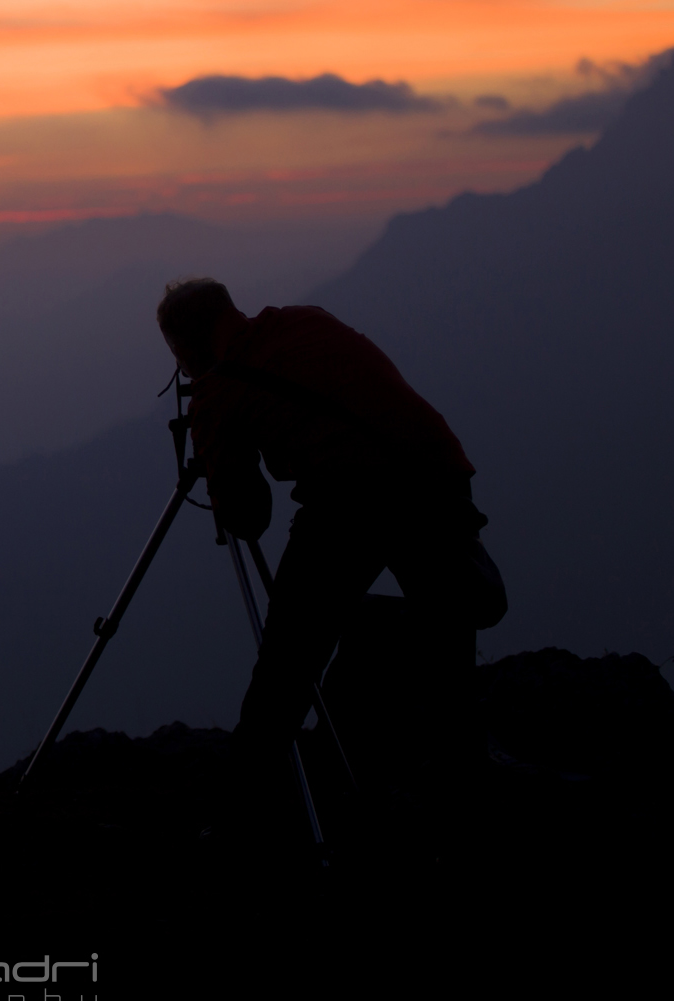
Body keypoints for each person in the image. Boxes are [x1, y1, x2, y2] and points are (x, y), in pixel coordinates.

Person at [155, 277, 506, 796]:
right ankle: (464, 768)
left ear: (185, 345)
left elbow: (248, 518)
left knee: (289, 653)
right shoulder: (306, 320)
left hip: (351, 497)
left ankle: (246, 801)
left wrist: (214, 444)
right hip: (436, 467)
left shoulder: (219, 391)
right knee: (448, 626)